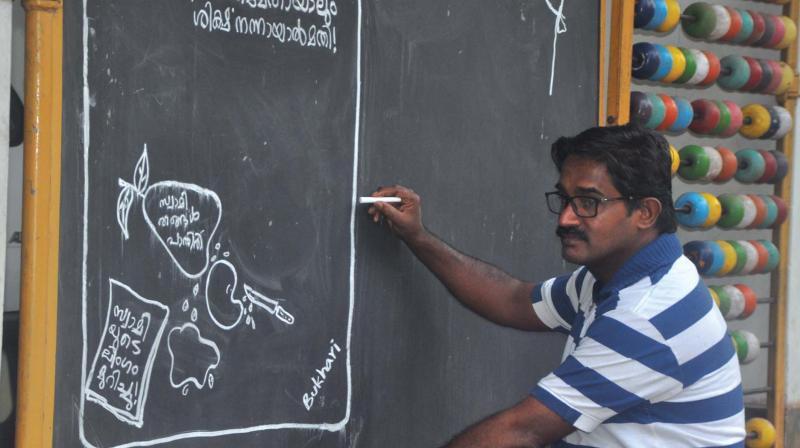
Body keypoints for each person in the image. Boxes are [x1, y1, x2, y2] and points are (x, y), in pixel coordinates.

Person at [367, 124, 745, 447]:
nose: (566, 218)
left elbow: (523, 429)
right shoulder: (612, 278)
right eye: (564, 199)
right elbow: (513, 300)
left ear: (645, 213)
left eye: (588, 202)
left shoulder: (647, 316)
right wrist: (417, 236)